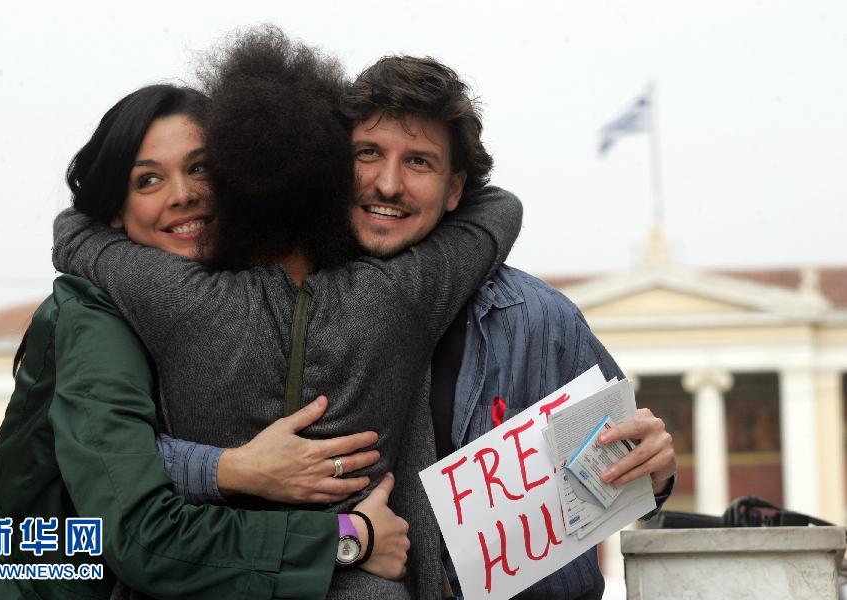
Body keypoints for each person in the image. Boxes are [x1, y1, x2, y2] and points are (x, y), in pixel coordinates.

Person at [170, 55, 679, 599]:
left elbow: (619, 475)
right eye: (368, 154)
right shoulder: (268, 303)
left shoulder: (538, 318)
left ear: (455, 188)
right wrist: (231, 468)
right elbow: (131, 467)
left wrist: (654, 470)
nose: (388, 184)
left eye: (418, 162)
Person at [51, 26, 522, 600]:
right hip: (366, 583)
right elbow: (498, 210)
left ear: (231, 182)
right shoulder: (403, 292)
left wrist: (103, 210)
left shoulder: (173, 297)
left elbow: (75, 236)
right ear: (335, 179)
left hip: (209, 581)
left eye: (202, 170)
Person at [0, 84, 411, 599]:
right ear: (116, 212)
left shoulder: (234, 290)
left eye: (200, 168)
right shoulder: (96, 316)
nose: (182, 194)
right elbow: (143, 536)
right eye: (148, 180)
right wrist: (347, 538)